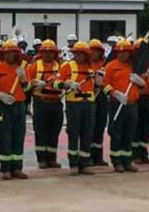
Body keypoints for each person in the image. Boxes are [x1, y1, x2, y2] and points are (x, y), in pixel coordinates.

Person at [0, 40, 29, 179]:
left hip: (19, 105)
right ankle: (6, 169)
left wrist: (24, 79)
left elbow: (27, 89)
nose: (10, 55)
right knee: (5, 137)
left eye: (12, 53)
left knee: (19, 136)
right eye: (7, 53)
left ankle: (17, 167)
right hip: (4, 106)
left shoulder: (22, 68)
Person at [56, 41, 96, 175]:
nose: (79, 56)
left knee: (87, 134)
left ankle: (84, 163)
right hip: (74, 104)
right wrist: (66, 84)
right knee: (73, 134)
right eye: (77, 54)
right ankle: (73, 164)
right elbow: (55, 82)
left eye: (82, 54)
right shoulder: (67, 66)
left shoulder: (91, 68)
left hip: (89, 105)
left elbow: (97, 85)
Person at [103, 39, 141, 173]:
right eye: (119, 52)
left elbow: (144, 86)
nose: (122, 55)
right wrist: (115, 93)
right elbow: (105, 85)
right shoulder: (110, 66)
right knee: (116, 133)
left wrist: (140, 81)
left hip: (132, 104)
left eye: (125, 52)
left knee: (129, 133)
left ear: (129, 53)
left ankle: (127, 160)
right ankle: (117, 161)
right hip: (116, 103)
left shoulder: (135, 67)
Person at [26, 39, 63, 169]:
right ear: (41, 53)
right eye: (45, 52)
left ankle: (52, 159)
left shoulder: (60, 66)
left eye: (51, 52)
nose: (48, 55)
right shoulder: (35, 66)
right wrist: (35, 83)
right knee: (41, 131)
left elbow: (65, 81)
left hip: (56, 102)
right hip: (40, 102)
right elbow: (26, 85)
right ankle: (41, 159)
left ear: (55, 53)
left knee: (54, 131)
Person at [88, 39, 109, 166]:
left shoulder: (106, 64)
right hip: (90, 97)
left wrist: (103, 81)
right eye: (91, 51)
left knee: (100, 126)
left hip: (102, 97)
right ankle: (89, 155)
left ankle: (98, 156)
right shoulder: (86, 64)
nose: (93, 53)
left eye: (96, 51)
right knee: (90, 127)